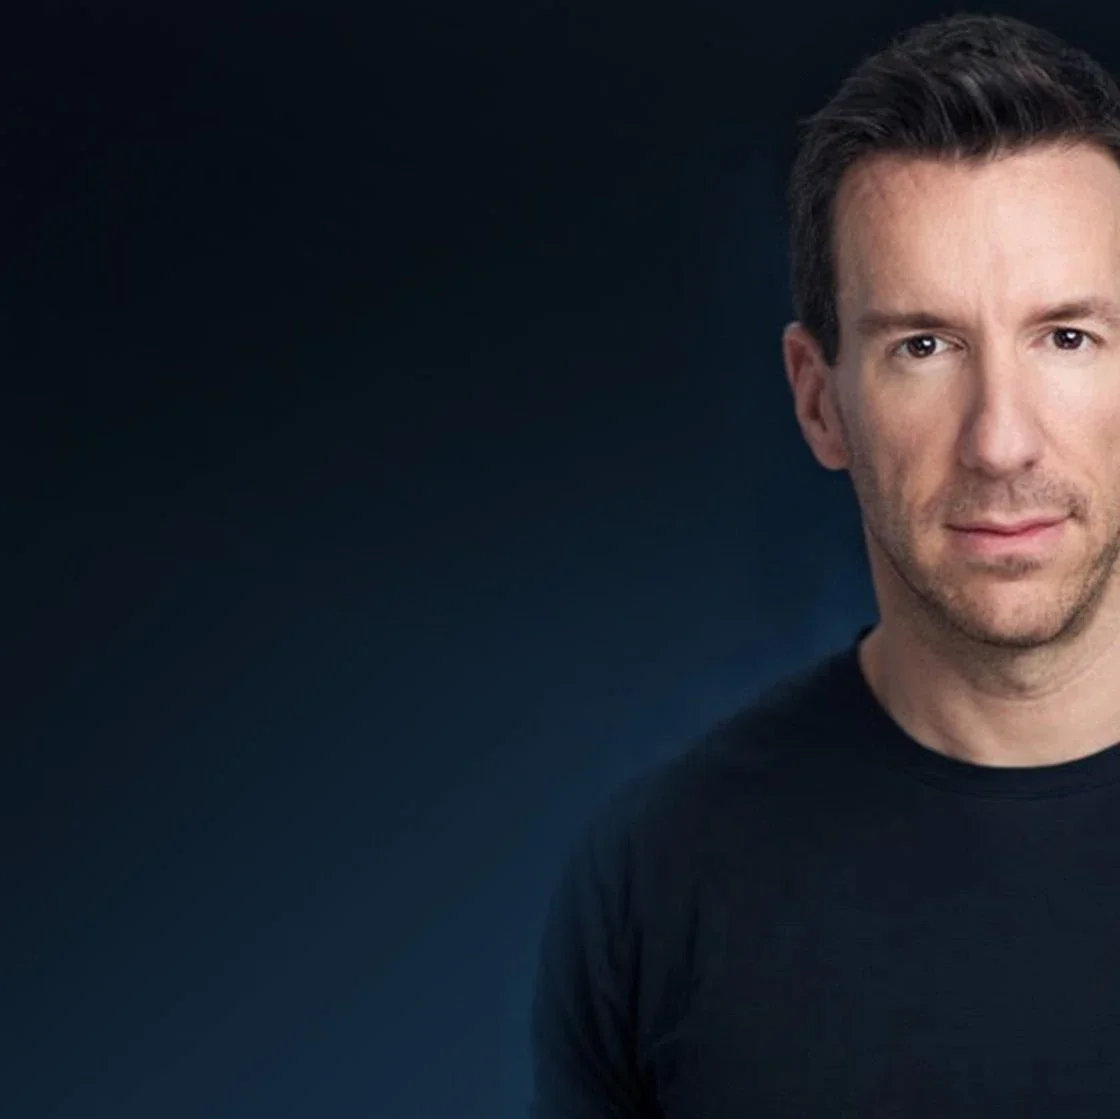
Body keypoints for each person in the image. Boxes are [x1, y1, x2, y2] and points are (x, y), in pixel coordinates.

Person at [528, 11, 1120, 1117]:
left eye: (1067, 337)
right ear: (819, 400)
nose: (1001, 440)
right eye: (923, 346)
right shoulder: (658, 881)